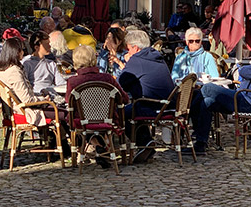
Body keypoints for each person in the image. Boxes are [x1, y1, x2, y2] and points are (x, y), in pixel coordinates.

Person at [190, 29, 251, 156]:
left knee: (207, 88)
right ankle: (200, 143)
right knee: (207, 102)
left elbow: (245, 72)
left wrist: (242, 68)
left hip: (248, 102)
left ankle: (188, 124)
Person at [0, 37, 71, 157]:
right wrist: (43, 99)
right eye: (21, 50)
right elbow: (27, 99)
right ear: (16, 52)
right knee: (65, 113)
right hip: (26, 110)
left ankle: (63, 144)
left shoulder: (1, 70)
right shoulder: (14, 71)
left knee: (60, 111)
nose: (23, 53)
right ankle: (71, 146)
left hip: (15, 109)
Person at [66, 45, 129, 169]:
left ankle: (95, 146)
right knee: (94, 118)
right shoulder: (107, 78)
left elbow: (69, 102)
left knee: (78, 117)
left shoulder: (73, 81)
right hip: (107, 119)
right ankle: (102, 147)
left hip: (83, 121)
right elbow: (124, 99)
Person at [118, 29, 175, 164]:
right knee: (134, 106)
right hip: (169, 104)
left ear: (135, 48)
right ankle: (146, 143)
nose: (127, 52)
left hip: (154, 106)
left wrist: (127, 63)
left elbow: (121, 83)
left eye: (128, 49)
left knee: (119, 113)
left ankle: (143, 142)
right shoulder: (156, 56)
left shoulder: (137, 60)